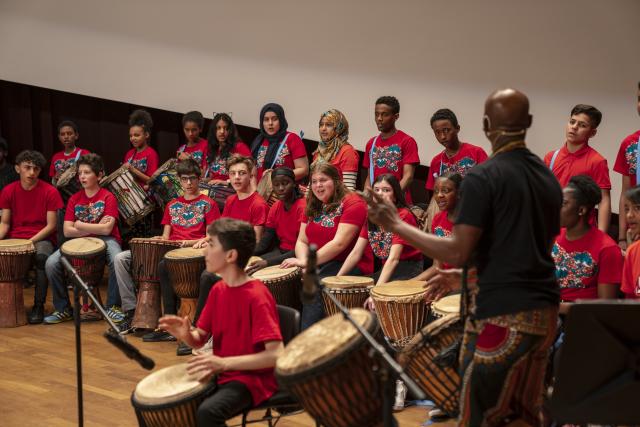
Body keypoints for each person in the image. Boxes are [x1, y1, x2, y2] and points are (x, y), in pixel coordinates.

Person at [365, 88, 562, 426]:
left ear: (486, 125)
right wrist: (465, 277)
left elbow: (458, 250)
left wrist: (395, 223)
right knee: (525, 412)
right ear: (528, 122)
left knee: (480, 414)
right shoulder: (547, 177)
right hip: (544, 315)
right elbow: (523, 252)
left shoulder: (483, 178)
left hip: (503, 317)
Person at [159, 218, 283, 427]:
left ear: (231, 255)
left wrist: (223, 363)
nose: (205, 250)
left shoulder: (257, 296)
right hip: (223, 372)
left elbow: (276, 354)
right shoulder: (218, 290)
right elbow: (200, 339)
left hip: (253, 379)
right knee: (165, 401)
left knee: (208, 413)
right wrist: (185, 335)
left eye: (211, 244)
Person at [115, 159, 219, 335]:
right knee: (121, 258)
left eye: (192, 178)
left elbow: (211, 236)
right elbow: (166, 235)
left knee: (163, 266)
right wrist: (160, 239)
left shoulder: (209, 204)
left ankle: (170, 322)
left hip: (193, 252)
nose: (188, 183)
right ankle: (132, 312)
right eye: (184, 179)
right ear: (178, 179)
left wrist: (189, 243)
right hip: (171, 249)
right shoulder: (171, 205)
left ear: (199, 179)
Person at [281, 162, 369, 329]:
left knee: (314, 288)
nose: (318, 185)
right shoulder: (313, 203)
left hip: (349, 263)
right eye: (314, 181)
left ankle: (308, 342)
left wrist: (308, 263)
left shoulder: (353, 203)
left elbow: (339, 243)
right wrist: (305, 263)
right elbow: (301, 241)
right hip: (321, 262)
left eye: (323, 180)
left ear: (336, 181)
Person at [44, 154, 125, 324]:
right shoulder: (74, 199)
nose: (82, 176)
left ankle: (113, 307)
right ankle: (63, 308)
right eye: (80, 173)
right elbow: (67, 231)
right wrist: (94, 228)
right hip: (80, 241)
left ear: (99, 175)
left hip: (107, 240)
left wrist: (79, 225)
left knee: (117, 258)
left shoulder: (108, 197)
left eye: (87, 172)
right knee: (51, 263)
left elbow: (107, 229)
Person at [0, 150, 63, 323]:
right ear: (17, 168)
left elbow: (51, 226)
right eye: (27, 168)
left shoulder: (50, 191)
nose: (32, 172)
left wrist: (29, 242)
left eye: (36, 168)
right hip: (15, 237)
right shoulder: (8, 191)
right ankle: (7, 306)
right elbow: (5, 223)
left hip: (41, 238)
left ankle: (38, 306)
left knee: (42, 258)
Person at [552, 175, 623, 313]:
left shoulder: (607, 248)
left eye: (563, 204)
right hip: (547, 314)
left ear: (581, 210)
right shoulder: (552, 236)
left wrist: (558, 308)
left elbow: (605, 305)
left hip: (581, 319)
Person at [340, 174, 422, 285]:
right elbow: (356, 252)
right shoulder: (372, 215)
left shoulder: (403, 216)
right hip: (386, 268)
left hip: (408, 270)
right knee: (349, 287)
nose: (380, 194)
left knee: (372, 295)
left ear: (395, 195)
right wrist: (337, 279)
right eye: (376, 190)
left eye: (386, 190)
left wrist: (376, 291)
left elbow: (394, 259)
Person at [544, 104, 611, 233]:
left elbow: (604, 199)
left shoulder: (597, 161)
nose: (574, 127)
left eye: (582, 125)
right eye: (572, 122)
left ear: (592, 133)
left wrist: (602, 234)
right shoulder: (551, 157)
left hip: (581, 232)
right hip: (551, 228)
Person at [246, 167, 306, 274]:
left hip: (299, 254)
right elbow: (266, 240)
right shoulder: (275, 207)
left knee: (261, 268)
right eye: (276, 185)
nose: (281, 188)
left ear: (294, 184)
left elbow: (303, 247)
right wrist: (245, 253)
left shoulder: (302, 207)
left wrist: (267, 262)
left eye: (285, 183)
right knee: (247, 265)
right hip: (280, 251)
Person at [363, 96, 420, 204]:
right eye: (376, 114)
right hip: (376, 205)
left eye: (385, 114)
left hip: (398, 203)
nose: (379, 118)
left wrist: (391, 197)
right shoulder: (371, 143)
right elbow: (369, 177)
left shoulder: (407, 141)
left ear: (396, 116)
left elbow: (408, 177)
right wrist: (366, 198)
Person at [424, 109, 487, 195]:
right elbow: (433, 195)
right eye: (437, 132)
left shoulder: (477, 153)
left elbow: (488, 186)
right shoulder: (436, 161)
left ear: (457, 128)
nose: (442, 136)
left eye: (446, 130)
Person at [49, 121, 91, 244]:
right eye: (63, 134)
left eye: (69, 133)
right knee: (64, 235)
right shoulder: (56, 157)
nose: (66, 136)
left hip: (80, 199)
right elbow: (52, 181)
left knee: (80, 232)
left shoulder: (84, 153)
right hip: (62, 202)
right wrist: (56, 178)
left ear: (76, 136)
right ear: (59, 137)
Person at [250, 103, 308, 183]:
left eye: (274, 119)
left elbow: (303, 170)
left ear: (281, 120)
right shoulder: (259, 140)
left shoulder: (292, 139)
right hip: (260, 191)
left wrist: (276, 177)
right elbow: (252, 169)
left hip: (283, 191)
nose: (270, 123)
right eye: (266, 119)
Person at [613, 82, 640, 250]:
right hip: (635, 233)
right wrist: (622, 237)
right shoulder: (630, 144)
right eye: (639, 98)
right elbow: (625, 193)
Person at [221, 156, 269, 241]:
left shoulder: (258, 204)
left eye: (242, 173)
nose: (236, 177)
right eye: (232, 173)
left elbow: (256, 241)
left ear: (251, 177)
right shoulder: (230, 200)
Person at [312, 109, 359, 189]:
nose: (323, 128)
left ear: (339, 128)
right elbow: (312, 184)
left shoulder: (347, 152)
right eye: (321, 124)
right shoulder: (319, 151)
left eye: (329, 125)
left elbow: (348, 189)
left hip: (338, 200)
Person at [204, 113, 252, 184]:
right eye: (218, 128)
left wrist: (225, 182)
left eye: (226, 128)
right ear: (214, 130)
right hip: (213, 190)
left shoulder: (240, 147)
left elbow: (250, 175)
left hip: (232, 191)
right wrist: (206, 180)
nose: (222, 132)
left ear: (231, 131)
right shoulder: (211, 148)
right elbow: (215, 176)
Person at [123, 109, 159, 187]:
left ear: (146, 135)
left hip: (145, 196)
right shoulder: (129, 154)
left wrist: (133, 169)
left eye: (136, 135)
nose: (132, 138)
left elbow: (152, 180)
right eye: (131, 135)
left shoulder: (151, 153)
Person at [621, 185, 640, 299]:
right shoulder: (632, 251)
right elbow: (630, 301)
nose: (629, 215)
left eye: (637, 208)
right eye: (627, 209)